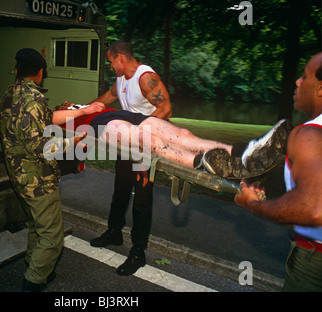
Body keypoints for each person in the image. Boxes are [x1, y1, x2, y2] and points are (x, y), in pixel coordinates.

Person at [68, 40, 291, 277]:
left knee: (142, 200)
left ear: (120, 57)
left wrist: (143, 138)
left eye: (111, 62)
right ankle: (114, 232)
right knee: (121, 190)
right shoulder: (121, 79)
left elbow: (165, 110)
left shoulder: (145, 77)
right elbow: (108, 97)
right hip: (128, 143)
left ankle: (138, 251)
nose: (110, 66)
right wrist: (87, 108)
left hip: (145, 141)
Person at [0, 48, 104, 292]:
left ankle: (36, 266)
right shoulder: (34, 100)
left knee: (37, 226)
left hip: (18, 174)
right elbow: (42, 147)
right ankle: (33, 282)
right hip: (37, 179)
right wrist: (74, 141)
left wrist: (76, 110)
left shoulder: (11, 93)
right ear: (40, 72)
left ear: (17, 70)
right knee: (52, 236)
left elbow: (34, 120)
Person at [234, 52, 322, 292]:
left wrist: (254, 205)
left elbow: (315, 207)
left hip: (315, 262)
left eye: (305, 77)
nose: (297, 82)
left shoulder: (308, 134)